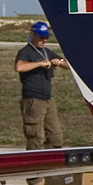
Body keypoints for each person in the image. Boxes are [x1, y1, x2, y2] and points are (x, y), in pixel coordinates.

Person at [15, 21, 66, 150]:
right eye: (41, 37)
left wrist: (60, 62)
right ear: (32, 35)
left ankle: (52, 162)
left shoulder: (47, 51)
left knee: (56, 135)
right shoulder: (25, 52)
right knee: (35, 135)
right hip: (33, 99)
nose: (44, 41)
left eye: (46, 38)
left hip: (47, 99)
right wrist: (40, 64)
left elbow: (67, 65)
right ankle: (34, 161)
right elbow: (19, 67)